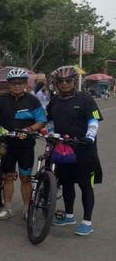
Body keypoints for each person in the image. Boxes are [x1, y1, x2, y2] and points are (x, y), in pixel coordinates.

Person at [0, 68, 47, 219]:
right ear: (9, 84)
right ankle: (7, 208)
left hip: (26, 145)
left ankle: (27, 209)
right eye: (13, 83)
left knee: (25, 178)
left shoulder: (32, 100)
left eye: (20, 83)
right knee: (8, 177)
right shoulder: (2, 99)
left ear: (25, 84)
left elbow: (41, 120)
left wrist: (29, 129)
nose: (17, 86)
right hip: (7, 145)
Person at [48, 65, 103, 236]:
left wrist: (89, 137)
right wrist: (51, 133)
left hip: (84, 150)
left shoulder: (86, 99)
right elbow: (50, 120)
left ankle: (87, 222)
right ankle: (69, 216)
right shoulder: (54, 101)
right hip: (63, 149)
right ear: (56, 83)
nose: (64, 83)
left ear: (74, 81)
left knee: (85, 186)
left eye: (68, 80)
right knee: (66, 183)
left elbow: (94, 121)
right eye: (61, 81)